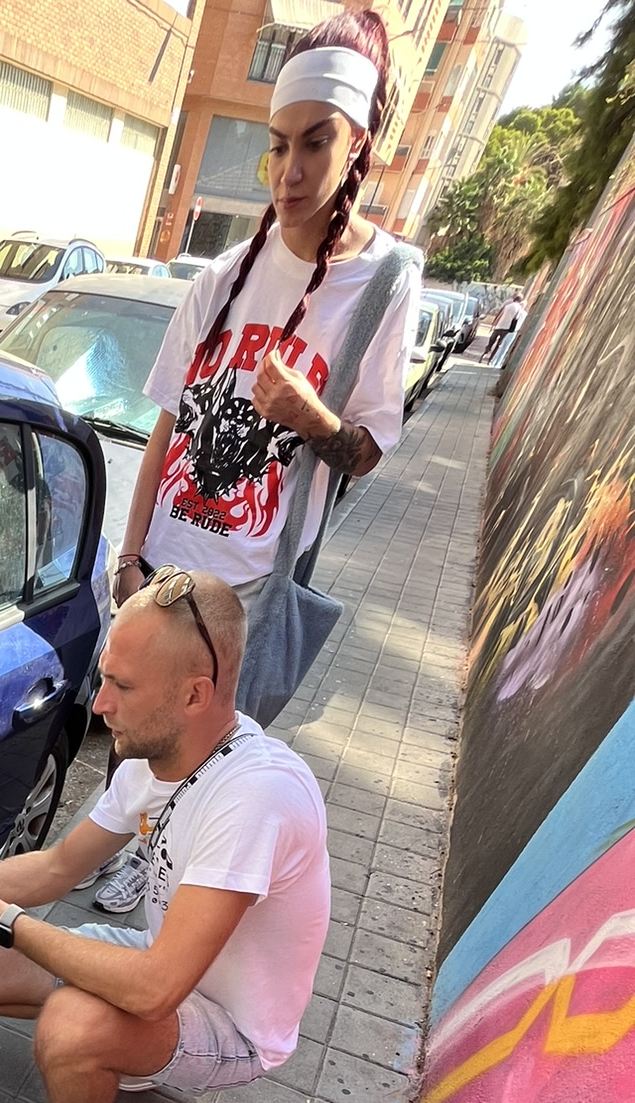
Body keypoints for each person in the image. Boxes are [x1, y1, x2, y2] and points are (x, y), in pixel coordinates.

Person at [88, 11, 414, 928]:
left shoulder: (386, 283)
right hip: (167, 566)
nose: (292, 172)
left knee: (211, 757)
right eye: (277, 146)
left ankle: (174, 897)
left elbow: (367, 452)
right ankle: (125, 867)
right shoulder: (222, 276)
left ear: (360, 145)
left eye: (317, 144)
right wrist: (129, 554)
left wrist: (306, 413)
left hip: (250, 590)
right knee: (133, 735)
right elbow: (163, 429)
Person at [0, 568, 329, 1103]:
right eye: (106, 677)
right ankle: (121, 1052)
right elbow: (58, 869)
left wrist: (7, 921)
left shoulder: (256, 796)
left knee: (72, 1028)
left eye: (122, 686)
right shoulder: (155, 759)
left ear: (193, 695)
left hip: (231, 1022)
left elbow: (155, 989)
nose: (98, 704)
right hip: (165, 962)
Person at [484, 291, 524, 366]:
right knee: (499, 345)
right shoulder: (519, 308)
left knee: (492, 340)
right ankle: (490, 360)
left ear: (514, 298)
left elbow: (500, 314)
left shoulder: (507, 304)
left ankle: (487, 350)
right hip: (506, 328)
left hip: (499, 326)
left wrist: (494, 323)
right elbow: (516, 319)